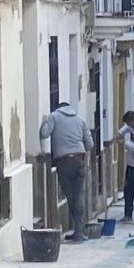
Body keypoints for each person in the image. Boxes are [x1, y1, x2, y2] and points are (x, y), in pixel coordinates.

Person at [39, 102, 94, 243]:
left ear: (58, 107)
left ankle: (79, 232)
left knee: (71, 197)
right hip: (79, 158)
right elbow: (90, 144)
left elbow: (44, 134)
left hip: (64, 161)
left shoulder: (54, 117)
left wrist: (45, 122)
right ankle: (80, 232)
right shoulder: (80, 120)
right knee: (79, 194)